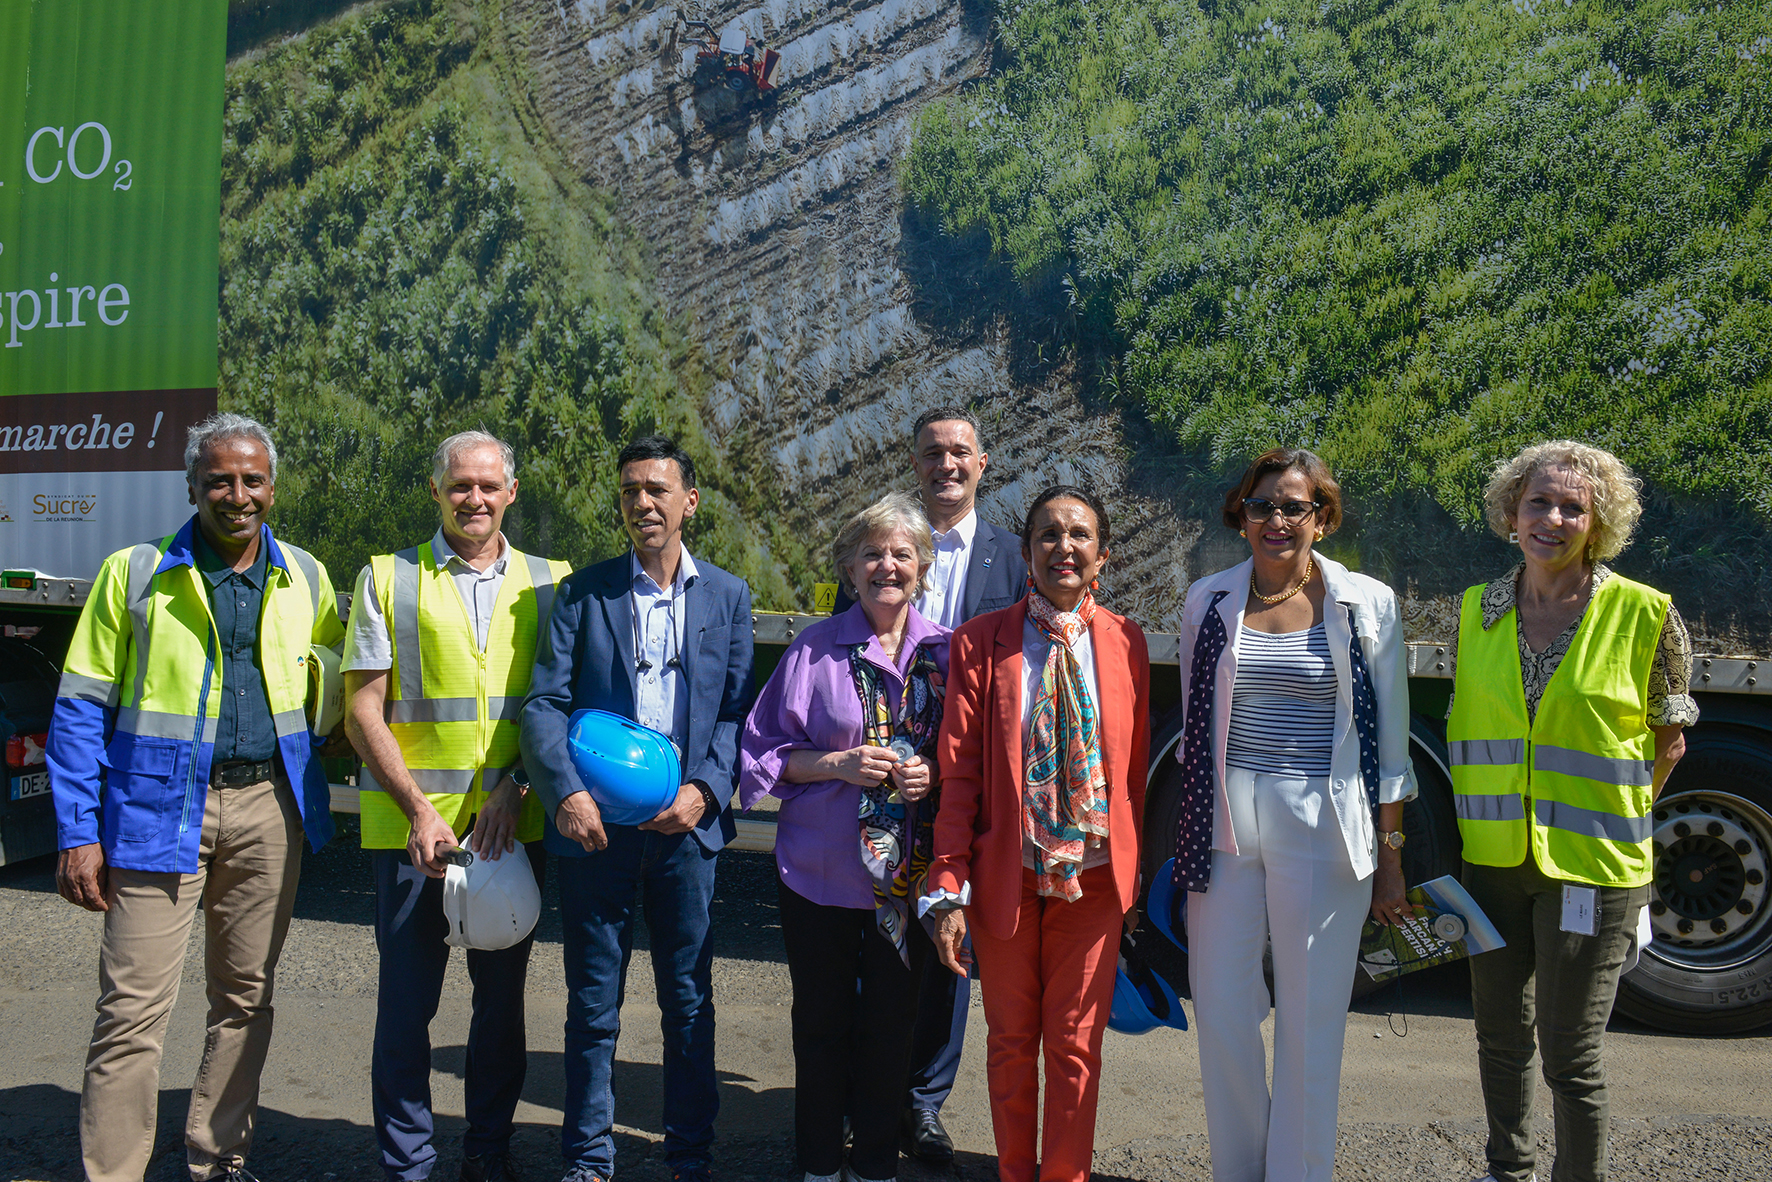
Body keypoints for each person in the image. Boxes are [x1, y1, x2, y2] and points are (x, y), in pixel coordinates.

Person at [47, 413, 345, 1182]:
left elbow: (332, 690)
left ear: (272, 488)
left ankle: (218, 1161)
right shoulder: (134, 573)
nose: (236, 495)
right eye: (219, 480)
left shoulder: (307, 576)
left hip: (268, 809)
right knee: (131, 1011)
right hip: (154, 814)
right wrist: (79, 831)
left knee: (246, 999)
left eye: (252, 480)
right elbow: (78, 711)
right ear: (192, 487)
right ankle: (113, 1172)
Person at [1448, 441, 1694, 1182]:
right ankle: (1508, 1170)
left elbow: (1669, 741)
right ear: (1511, 512)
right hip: (1494, 860)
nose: (1551, 519)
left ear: (1599, 523)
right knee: (1499, 1037)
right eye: (1538, 503)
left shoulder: (1646, 613)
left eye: (1572, 508)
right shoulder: (1477, 610)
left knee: (1570, 1053)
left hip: (1592, 867)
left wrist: (1615, 819)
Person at [1172, 447, 1417, 1182]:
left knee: (1311, 1021)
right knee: (1221, 1007)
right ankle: (1239, 1171)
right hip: (1225, 818)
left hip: (1322, 817)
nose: (1275, 519)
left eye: (1293, 506)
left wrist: (1391, 860)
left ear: (1322, 518)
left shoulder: (1365, 602)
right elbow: (1196, 727)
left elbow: (1391, 747)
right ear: (1240, 515)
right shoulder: (1208, 598)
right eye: (1260, 505)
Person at [519, 435, 756, 1182]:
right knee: (593, 1005)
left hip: (686, 834)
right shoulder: (582, 594)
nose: (643, 503)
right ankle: (589, 1158)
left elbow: (734, 714)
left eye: (657, 490)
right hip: (598, 835)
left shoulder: (727, 596)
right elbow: (545, 705)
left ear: (690, 502)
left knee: (688, 1002)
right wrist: (567, 794)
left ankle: (689, 1154)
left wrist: (705, 792)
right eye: (630, 491)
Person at [343, 431, 572, 1182]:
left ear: (512, 492)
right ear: (436, 491)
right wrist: (417, 808)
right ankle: (409, 1165)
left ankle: (487, 1153)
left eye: (488, 485)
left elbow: (564, 705)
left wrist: (522, 784)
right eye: (460, 485)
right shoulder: (388, 577)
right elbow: (362, 711)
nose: (475, 498)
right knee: (406, 1012)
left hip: (512, 830)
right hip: (415, 834)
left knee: (500, 1011)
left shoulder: (552, 582)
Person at [925, 484, 1150, 1182]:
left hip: (1093, 878)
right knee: (1011, 1042)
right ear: (1026, 554)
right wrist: (948, 881)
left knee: (1077, 1047)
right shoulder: (980, 642)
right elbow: (959, 775)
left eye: (1080, 535)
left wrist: (1132, 874)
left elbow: (1133, 774)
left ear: (1102, 556)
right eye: (1048, 535)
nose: (1064, 547)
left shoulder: (1126, 642)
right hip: (1008, 874)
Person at [831, 405, 1027, 1163]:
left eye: (959, 452)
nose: (946, 464)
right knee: (873, 937)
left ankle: (921, 1102)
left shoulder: (1012, 559)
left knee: (949, 939)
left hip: (967, 782)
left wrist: (957, 765)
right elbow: (844, 654)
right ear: (914, 464)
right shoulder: (883, 545)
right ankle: (862, 1094)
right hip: (882, 783)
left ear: (982, 464)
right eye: (932, 453)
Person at [740, 491, 950, 1182]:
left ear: (922, 567)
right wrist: (838, 764)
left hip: (906, 880)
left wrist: (933, 773)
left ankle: (877, 1165)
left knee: (892, 1027)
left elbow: (972, 760)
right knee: (821, 1025)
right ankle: (820, 1165)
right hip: (820, 872)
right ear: (850, 567)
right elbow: (764, 753)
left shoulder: (948, 654)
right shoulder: (813, 649)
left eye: (901, 554)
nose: (887, 565)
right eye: (872, 554)